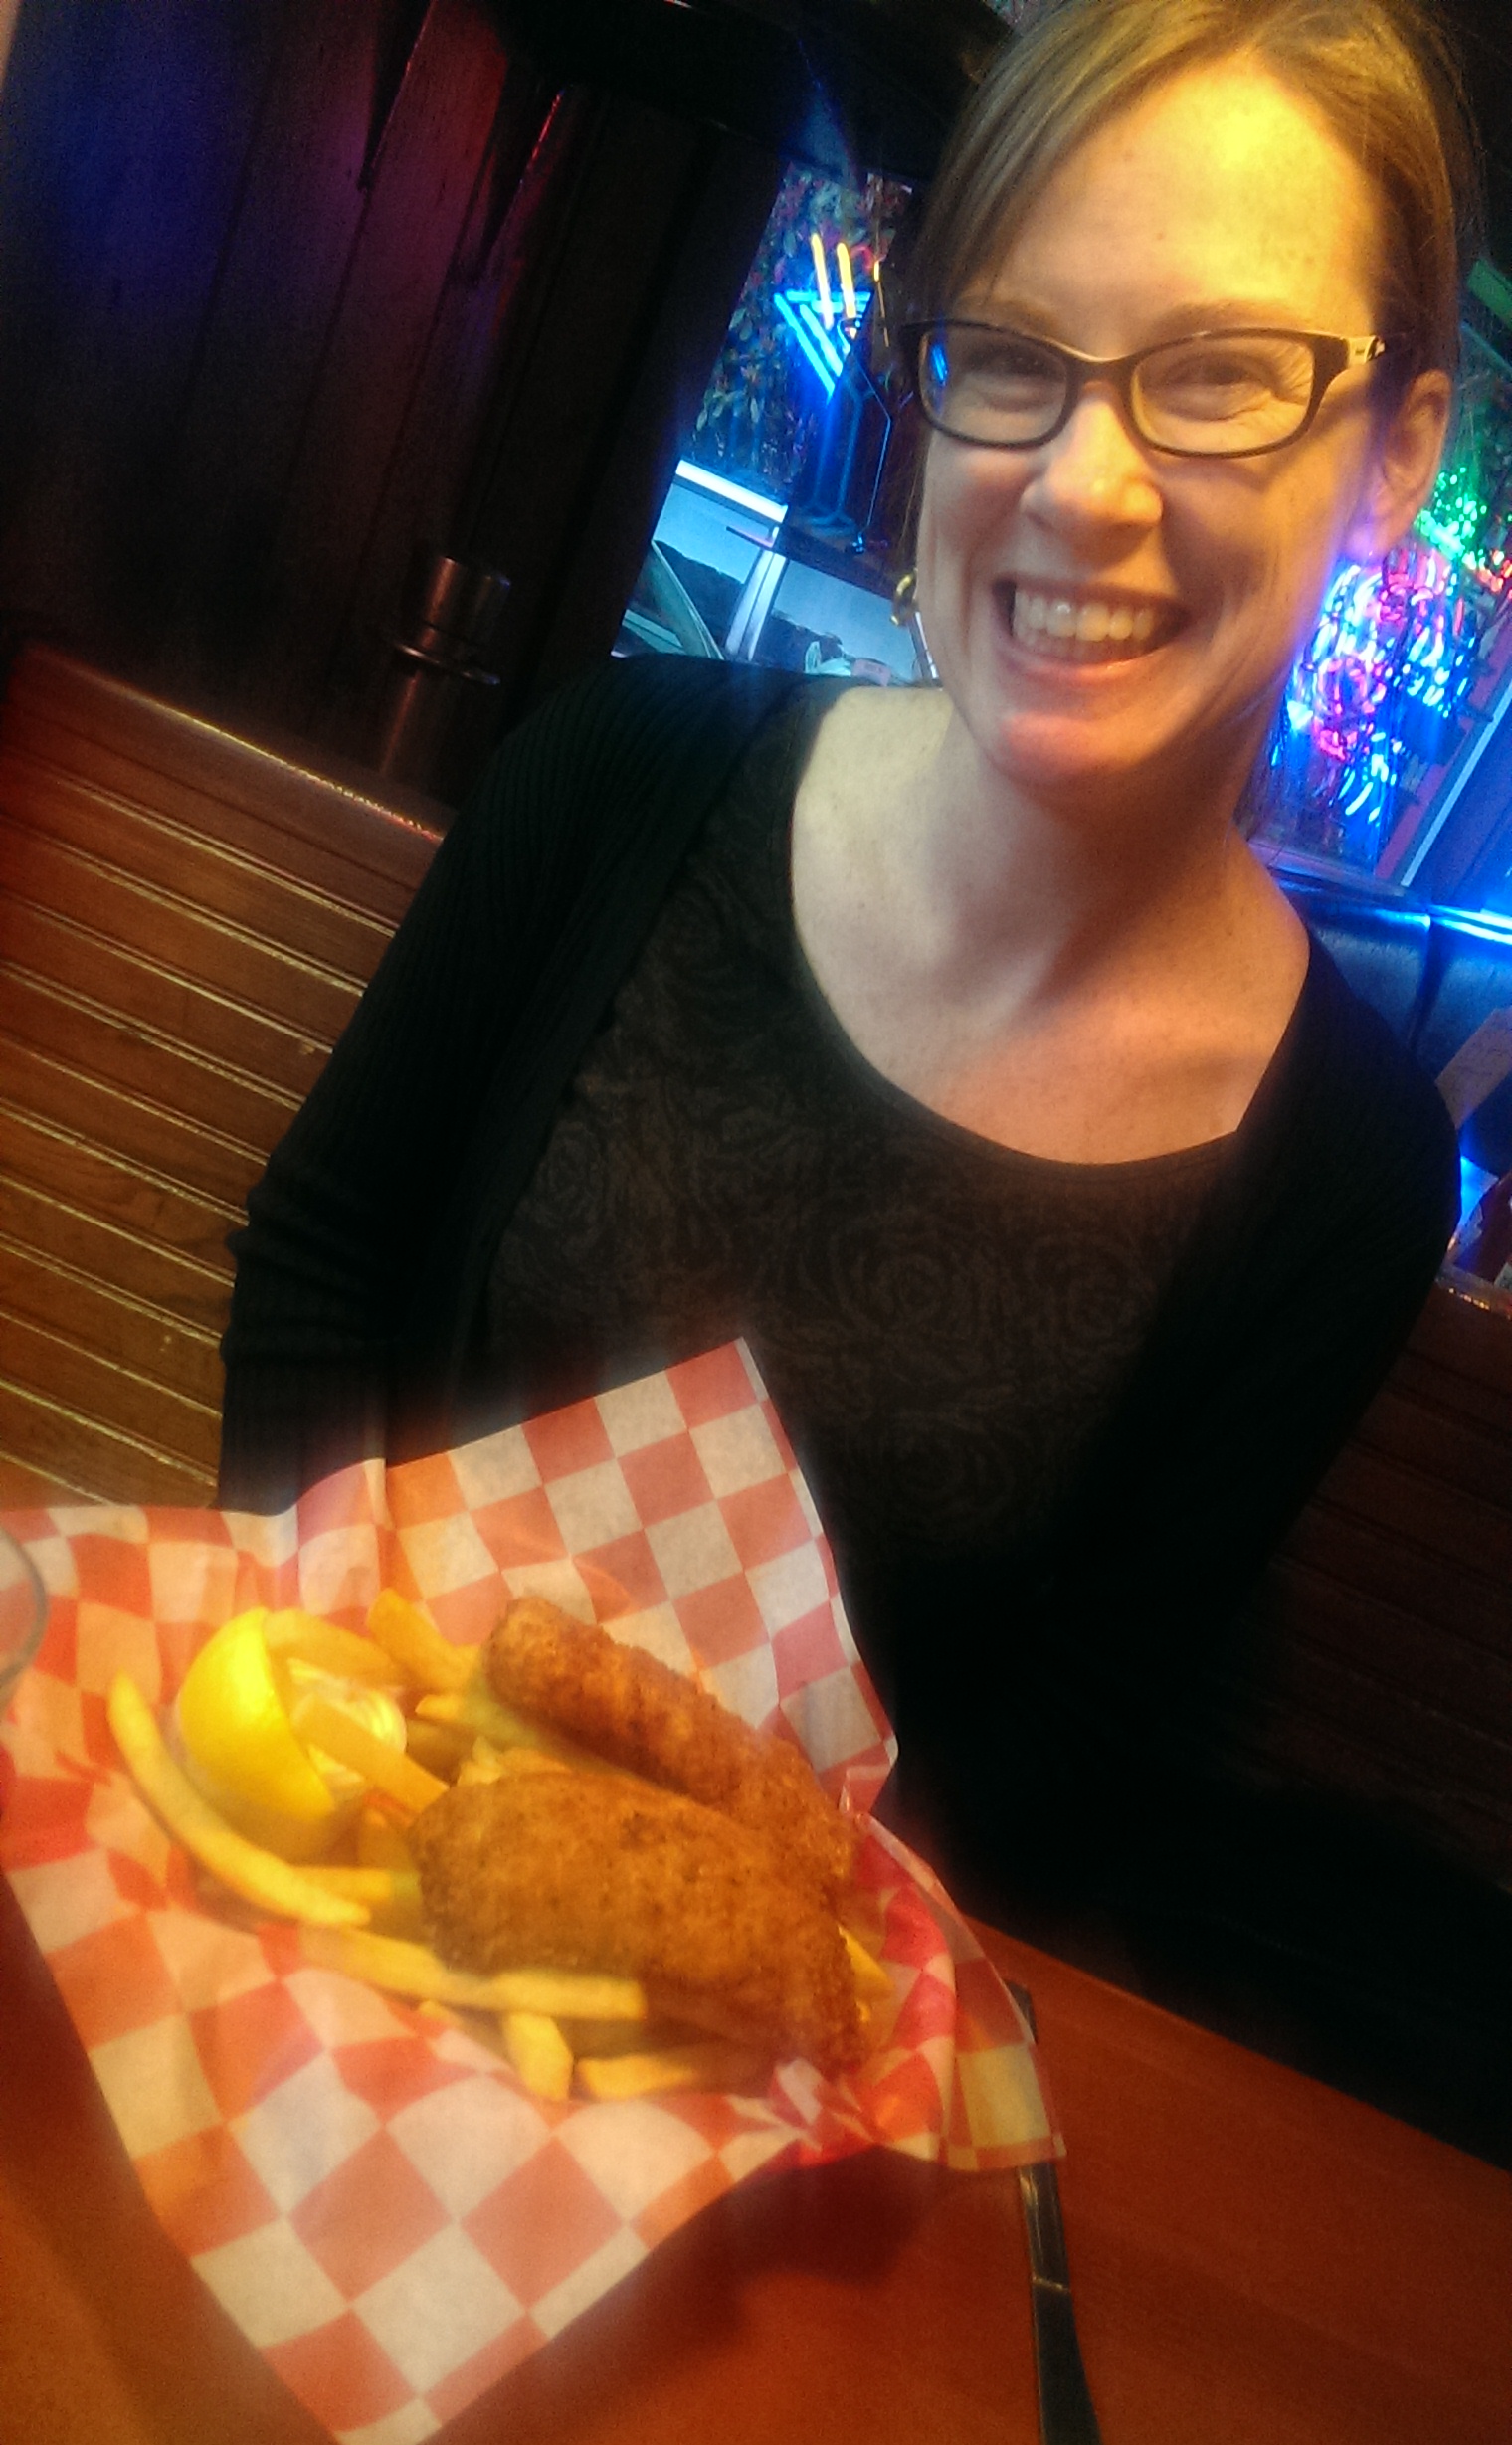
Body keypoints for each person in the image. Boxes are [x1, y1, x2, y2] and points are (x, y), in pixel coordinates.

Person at [220, 0, 1509, 2153]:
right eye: (1012, 351)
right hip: (323, 1882)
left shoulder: (1348, 1175)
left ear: (1395, 450)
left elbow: (1070, 1742)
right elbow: (325, 1263)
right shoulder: (615, 773)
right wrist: (347, 1764)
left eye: (1218, 373)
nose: (1081, 486)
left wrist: (682, 1953)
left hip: (760, 2078)